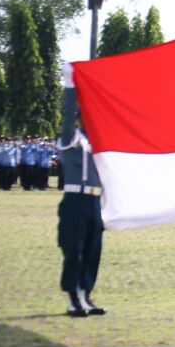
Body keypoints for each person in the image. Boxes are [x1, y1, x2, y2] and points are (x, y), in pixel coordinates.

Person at [56, 64, 107, 318]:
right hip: (75, 199)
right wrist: (70, 84)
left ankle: (86, 294)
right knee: (73, 250)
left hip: (94, 201)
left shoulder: (100, 140)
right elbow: (65, 114)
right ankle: (73, 299)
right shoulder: (69, 138)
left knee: (92, 250)